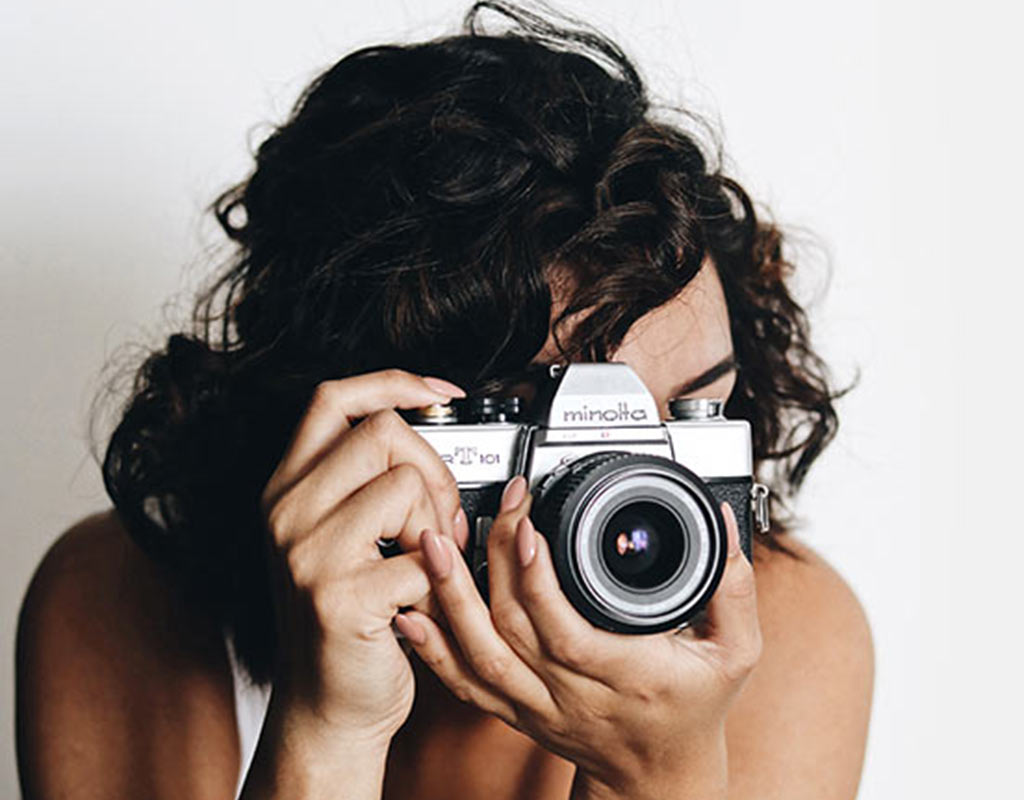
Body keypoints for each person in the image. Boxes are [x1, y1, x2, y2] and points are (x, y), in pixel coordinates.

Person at [15, 3, 874, 798]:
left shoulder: (783, 636)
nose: (634, 493)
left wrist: (659, 774)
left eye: (689, 416)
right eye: (544, 427)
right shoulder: (120, 606)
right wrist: (326, 735)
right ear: (360, 419)